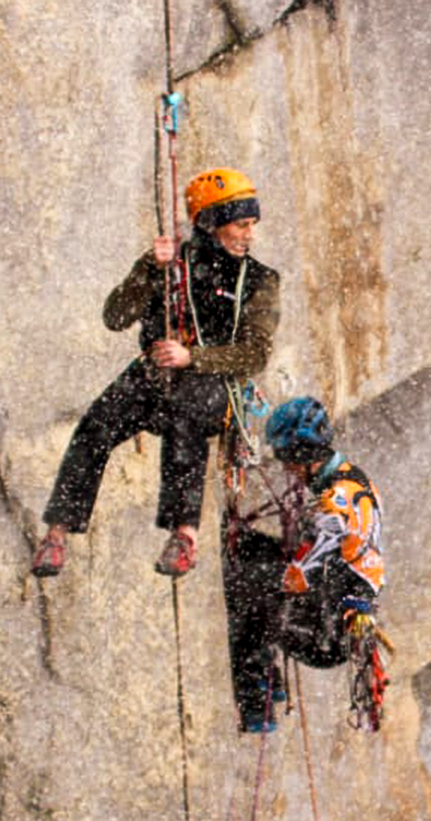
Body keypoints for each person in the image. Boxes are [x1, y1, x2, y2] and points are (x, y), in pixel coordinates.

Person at [31, 167, 280, 578]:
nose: (248, 234)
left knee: (188, 417)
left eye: (251, 225)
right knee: (96, 424)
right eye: (240, 224)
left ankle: (184, 535)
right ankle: (57, 533)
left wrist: (193, 357)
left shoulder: (257, 280)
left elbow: (255, 353)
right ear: (213, 224)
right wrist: (148, 268)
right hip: (156, 372)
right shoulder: (170, 263)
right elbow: (115, 316)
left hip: (212, 382)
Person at [224, 396, 384, 733]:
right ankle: (269, 678)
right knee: (252, 550)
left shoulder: (336, 500)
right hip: (329, 612)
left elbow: (299, 573)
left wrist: (278, 570)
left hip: (324, 634)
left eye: (285, 457)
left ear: (303, 454)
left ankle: (257, 701)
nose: (284, 466)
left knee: (240, 583)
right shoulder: (351, 477)